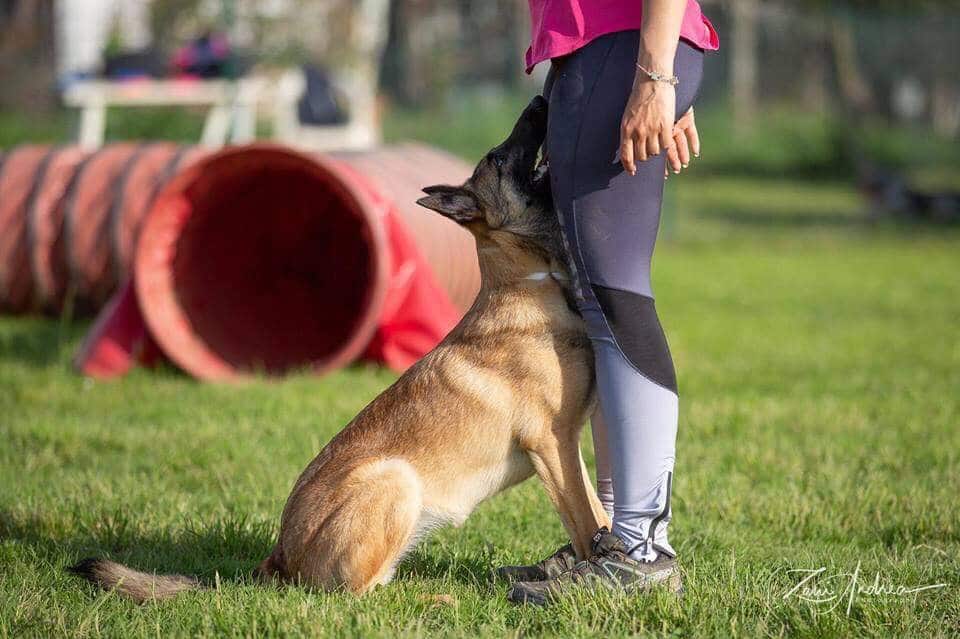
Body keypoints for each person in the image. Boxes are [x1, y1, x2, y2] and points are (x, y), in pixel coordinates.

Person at [500, 0, 719, 605]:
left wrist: (656, 73)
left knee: (613, 294)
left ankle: (642, 551)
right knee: (599, 300)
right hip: (609, 50)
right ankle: (614, 545)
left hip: (621, 49)